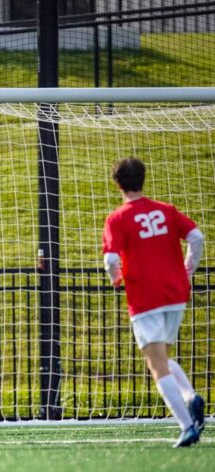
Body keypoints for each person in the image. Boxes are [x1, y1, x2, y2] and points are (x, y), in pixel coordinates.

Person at [102, 157, 206, 447]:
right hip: (175, 293)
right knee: (164, 356)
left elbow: (110, 259)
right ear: (142, 179)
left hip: (145, 296)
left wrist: (115, 275)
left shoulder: (118, 218)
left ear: (118, 184)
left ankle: (187, 425)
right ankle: (190, 396)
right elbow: (196, 237)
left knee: (156, 364)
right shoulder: (166, 210)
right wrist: (188, 269)